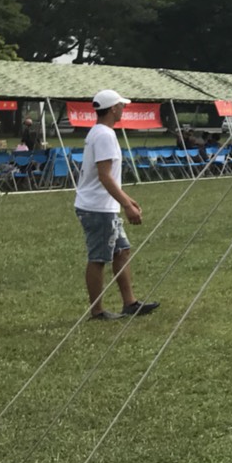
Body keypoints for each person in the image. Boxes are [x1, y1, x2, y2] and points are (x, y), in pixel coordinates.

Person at [75, 89, 160, 321]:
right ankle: (97, 311)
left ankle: (129, 303)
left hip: (103, 205)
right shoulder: (104, 135)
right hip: (98, 208)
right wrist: (127, 205)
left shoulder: (100, 132)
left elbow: (106, 175)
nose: (123, 109)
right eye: (121, 105)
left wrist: (126, 199)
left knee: (121, 251)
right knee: (99, 257)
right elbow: (104, 176)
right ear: (113, 108)